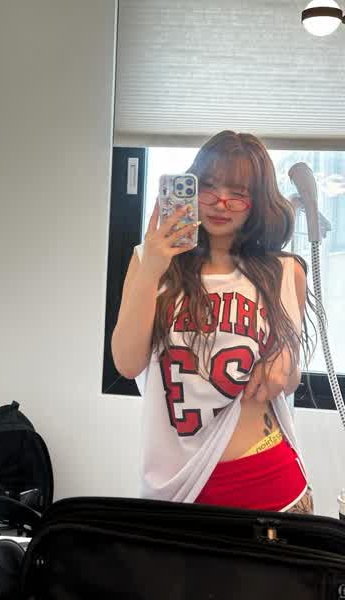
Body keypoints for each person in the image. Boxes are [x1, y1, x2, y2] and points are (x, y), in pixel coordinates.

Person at [112, 130, 317, 514]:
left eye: (238, 191)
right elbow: (127, 362)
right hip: (176, 486)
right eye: (208, 185)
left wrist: (284, 360)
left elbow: (287, 381)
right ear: (190, 185)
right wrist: (154, 267)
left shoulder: (284, 271)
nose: (221, 202)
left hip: (269, 482)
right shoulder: (148, 262)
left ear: (258, 200)